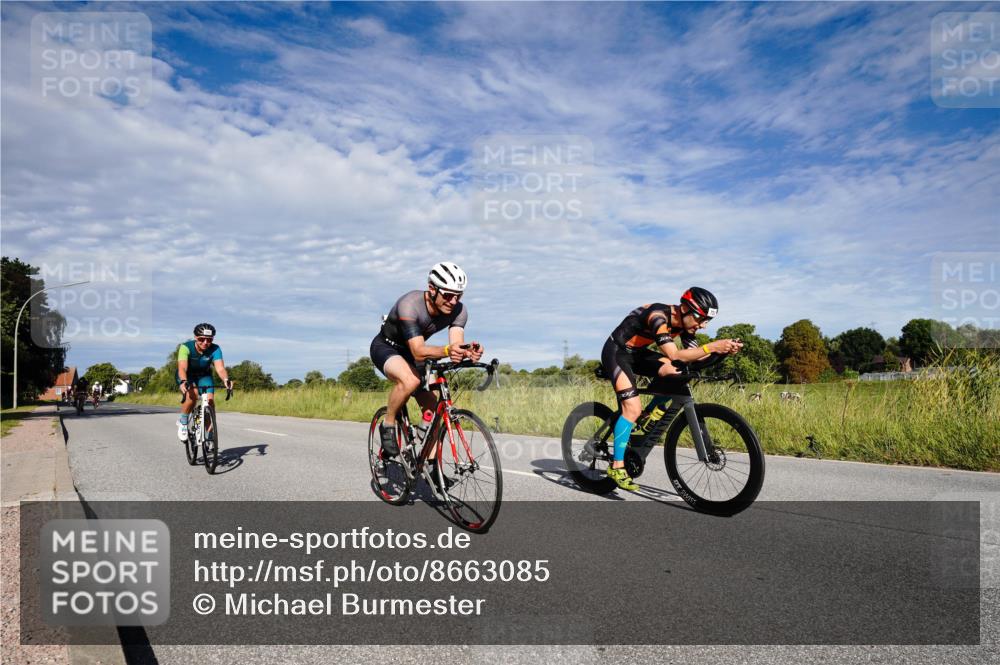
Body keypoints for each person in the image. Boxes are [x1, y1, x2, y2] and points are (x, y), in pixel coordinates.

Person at [600, 287, 743, 491]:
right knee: (632, 408)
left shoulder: (687, 326)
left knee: (677, 373)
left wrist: (724, 352)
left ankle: (648, 413)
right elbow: (675, 354)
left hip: (638, 354)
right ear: (684, 308)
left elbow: (694, 358)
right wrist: (712, 346)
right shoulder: (658, 316)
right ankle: (617, 466)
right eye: (700, 319)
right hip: (617, 352)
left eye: (707, 321)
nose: (702, 326)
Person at [370, 262, 483, 468]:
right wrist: (448, 351)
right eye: (448, 295)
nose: (453, 301)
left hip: (416, 354)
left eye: (459, 295)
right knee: (410, 380)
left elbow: (455, 344)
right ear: (432, 289)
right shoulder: (409, 304)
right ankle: (388, 424)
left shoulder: (459, 311)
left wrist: (467, 352)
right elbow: (418, 351)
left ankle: (431, 468)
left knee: (434, 407)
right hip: (388, 348)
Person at [176, 323, 233, 441]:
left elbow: (220, 368)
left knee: (210, 401)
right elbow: (182, 367)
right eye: (201, 339)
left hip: (204, 376)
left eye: (209, 339)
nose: (205, 342)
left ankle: (208, 431)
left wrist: (226, 380)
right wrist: (183, 381)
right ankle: (183, 421)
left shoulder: (215, 349)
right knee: (193, 396)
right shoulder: (185, 347)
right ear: (195, 337)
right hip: (187, 375)